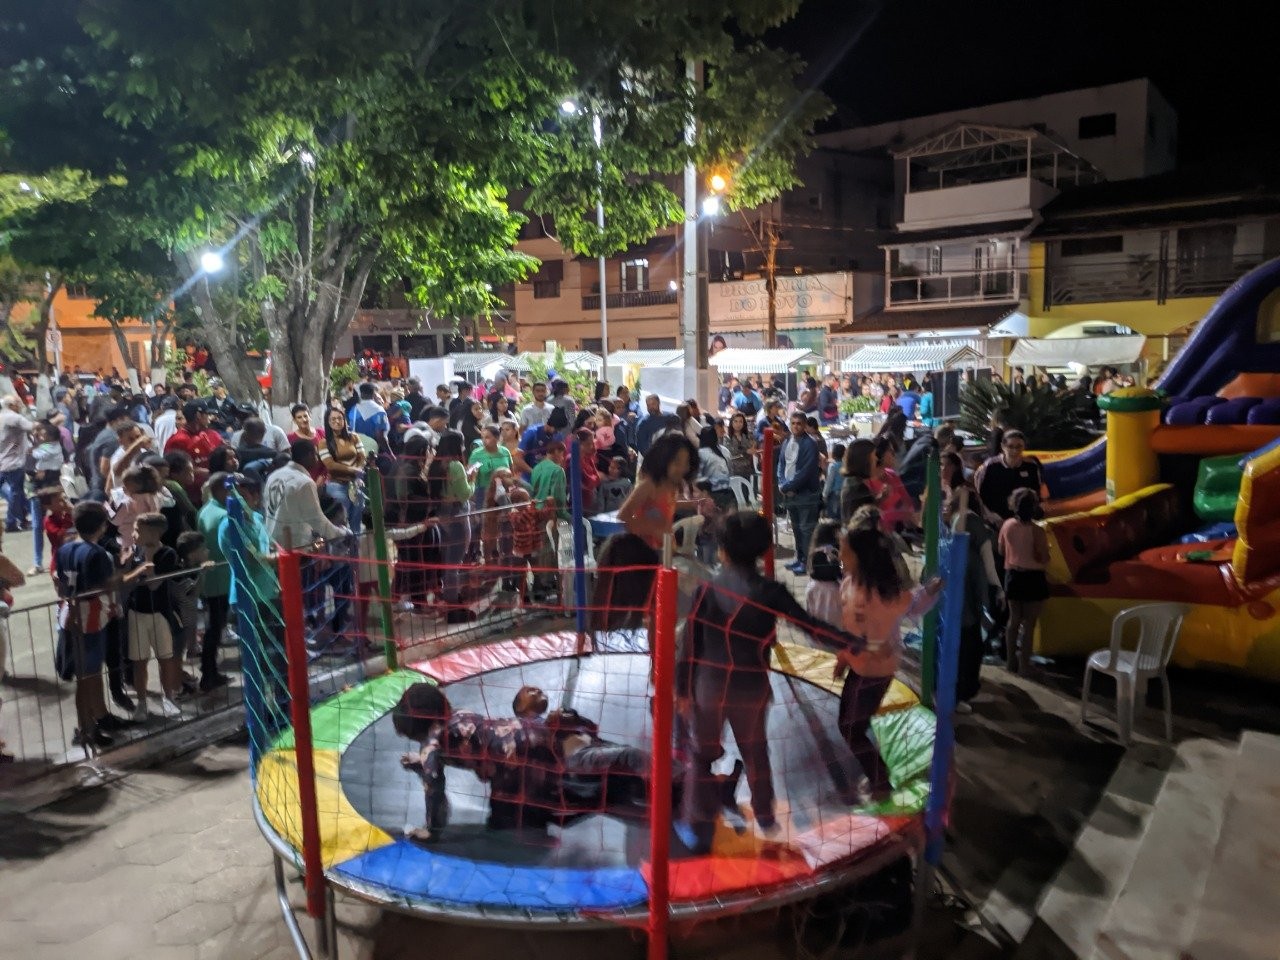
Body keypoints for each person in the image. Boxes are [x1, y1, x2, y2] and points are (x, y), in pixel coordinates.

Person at [677, 510, 862, 852]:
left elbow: (690, 643)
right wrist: (851, 642)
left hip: (710, 684)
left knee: (701, 753)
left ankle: (699, 820)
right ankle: (765, 817)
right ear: (764, 550)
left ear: (723, 551)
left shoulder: (708, 589)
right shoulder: (770, 591)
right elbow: (811, 626)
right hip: (749, 685)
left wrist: (682, 690)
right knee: (756, 752)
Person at [835, 509, 943, 804]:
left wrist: (930, 591)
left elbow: (911, 605)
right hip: (862, 666)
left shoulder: (878, 596)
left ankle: (881, 781)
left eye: (844, 553)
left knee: (850, 728)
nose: (840, 557)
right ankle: (877, 774)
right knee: (850, 723)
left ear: (861, 559)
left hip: (875, 671)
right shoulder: (851, 584)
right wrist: (846, 657)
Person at [55, 502, 144, 748]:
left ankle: (98, 718)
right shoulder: (96, 554)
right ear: (102, 526)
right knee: (87, 678)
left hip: (71, 617)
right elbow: (105, 585)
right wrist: (128, 572)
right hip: (90, 620)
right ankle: (85, 730)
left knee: (89, 677)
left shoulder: (65, 549)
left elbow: (61, 582)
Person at [945, 486, 1000, 713]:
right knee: (970, 649)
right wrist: (997, 589)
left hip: (954, 609)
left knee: (956, 648)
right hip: (968, 613)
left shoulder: (948, 546)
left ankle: (954, 692)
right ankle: (960, 693)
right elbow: (988, 566)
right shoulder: (973, 553)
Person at [125, 513, 184, 721]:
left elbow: (154, 585)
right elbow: (125, 579)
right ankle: (141, 703)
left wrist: (148, 563)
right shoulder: (133, 552)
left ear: (154, 532)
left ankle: (169, 698)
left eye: (138, 530)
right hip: (136, 613)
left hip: (160, 613)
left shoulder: (167, 554)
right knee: (139, 661)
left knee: (165, 658)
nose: (134, 534)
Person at [426, 430, 477, 623]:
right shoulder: (455, 465)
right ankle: (453, 604)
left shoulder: (435, 465)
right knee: (454, 564)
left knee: (447, 561)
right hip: (457, 516)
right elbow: (465, 494)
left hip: (442, 517)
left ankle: (447, 599)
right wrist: (472, 479)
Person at [999, 488, 1049, 676]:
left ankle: (1010, 662)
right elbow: (1044, 558)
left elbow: (1001, 550)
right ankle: (1024, 665)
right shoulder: (1037, 531)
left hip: (1013, 575)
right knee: (1029, 624)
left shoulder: (1007, 526)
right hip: (1033, 578)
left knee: (1013, 621)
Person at [264, 440, 351, 549]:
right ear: (309, 455)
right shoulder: (304, 483)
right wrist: (342, 534)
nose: (317, 458)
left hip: (271, 542)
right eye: (316, 454)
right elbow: (317, 520)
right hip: (294, 546)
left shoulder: (274, 475)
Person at [777, 412, 822, 575]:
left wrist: (788, 486)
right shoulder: (787, 441)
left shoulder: (810, 444)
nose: (795, 426)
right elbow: (781, 464)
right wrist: (782, 482)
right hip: (790, 494)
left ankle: (808, 563)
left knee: (806, 530)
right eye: (793, 423)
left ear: (804, 425)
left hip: (806, 495)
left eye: (799, 424)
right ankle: (799, 558)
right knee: (796, 528)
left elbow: (806, 472)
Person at [975, 430, 1043, 527]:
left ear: (1024, 446)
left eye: (1019, 446)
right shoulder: (990, 466)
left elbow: (1036, 493)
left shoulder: (1031, 466)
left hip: (1023, 522)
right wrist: (993, 518)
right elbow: (980, 495)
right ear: (1003, 447)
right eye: (1010, 446)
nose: (1015, 451)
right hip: (995, 521)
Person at [164, 401, 225, 500]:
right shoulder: (178, 440)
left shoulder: (213, 434)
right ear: (198, 415)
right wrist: (208, 472)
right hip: (193, 497)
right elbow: (172, 471)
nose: (209, 418)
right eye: (207, 414)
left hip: (219, 491)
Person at [320, 407, 367, 536]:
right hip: (336, 484)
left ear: (344, 420)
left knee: (357, 517)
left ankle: (356, 549)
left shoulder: (354, 437)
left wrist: (357, 474)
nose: (337, 421)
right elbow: (330, 465)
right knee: (341, 518)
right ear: (328, 422)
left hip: (356, 483)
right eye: (333, 419)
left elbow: (362, 458)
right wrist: (352, 469)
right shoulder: (323, 443)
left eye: (340, 418)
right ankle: (342, 548)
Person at [0, 395, 33, 533]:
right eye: (18, 403)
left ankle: (20, 518)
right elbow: (32, 426)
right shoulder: (14, 417)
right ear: (11, 405)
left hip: (3, 460)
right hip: (13, 462)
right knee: (16, 492)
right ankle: (11, 522)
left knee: (14, 493)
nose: (20, 405)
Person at [805, 519, 842, 626]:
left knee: (816, 617)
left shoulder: (814, 551)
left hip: (813, 588)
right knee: (833, 621)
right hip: (832, 590)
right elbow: (839, 569)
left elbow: (811, 570)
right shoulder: (833, 551)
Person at [696, 423, 734, 510]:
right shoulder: (725, 451)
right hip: (728, 491)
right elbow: (731, 471)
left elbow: (698, 477)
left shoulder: (700, 453)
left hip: (709, 494)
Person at [520, 405, 568, 469]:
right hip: (528, 474)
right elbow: (517, 458)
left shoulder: (558, 436)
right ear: (551, 424)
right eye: (557, 429)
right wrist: (533, 472)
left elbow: (561, 459)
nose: (557, 432)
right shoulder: (532, 433)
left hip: (546, 474)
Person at [724, 411, 756, 479]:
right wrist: (745, 451)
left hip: (747, 469)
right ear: (731, 423)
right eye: (735, 421)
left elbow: (752, 447)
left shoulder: (748, 436)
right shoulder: (727, 437)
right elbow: (730, 451)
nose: (738, 424)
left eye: (740, 421)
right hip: (734, 470)